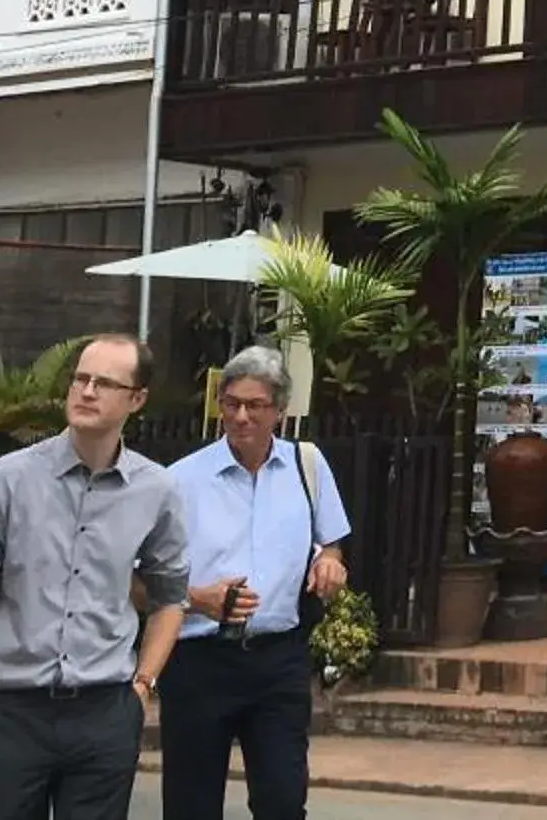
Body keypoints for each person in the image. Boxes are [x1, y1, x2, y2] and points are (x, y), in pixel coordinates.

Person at [0, 332, 188, 819]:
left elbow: (171, 600)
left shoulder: (157, 491)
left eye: (104, 383)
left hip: (104, 713)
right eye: (81, 379)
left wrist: (141, 686)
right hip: (11, 714)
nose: (86, 391)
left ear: (137, 399)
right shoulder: (7, 480)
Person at [160, 345, 352, 820]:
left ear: (280, 411)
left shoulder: (308, 466)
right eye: (231, 404)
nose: (241, 416)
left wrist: (330, 562)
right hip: (199, 662)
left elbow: (331, 543)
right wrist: (198, 599)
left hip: (278, 661)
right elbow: (145, 576)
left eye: (255, 406)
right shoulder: (180, 481)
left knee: (283, 801)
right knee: (191, 804)